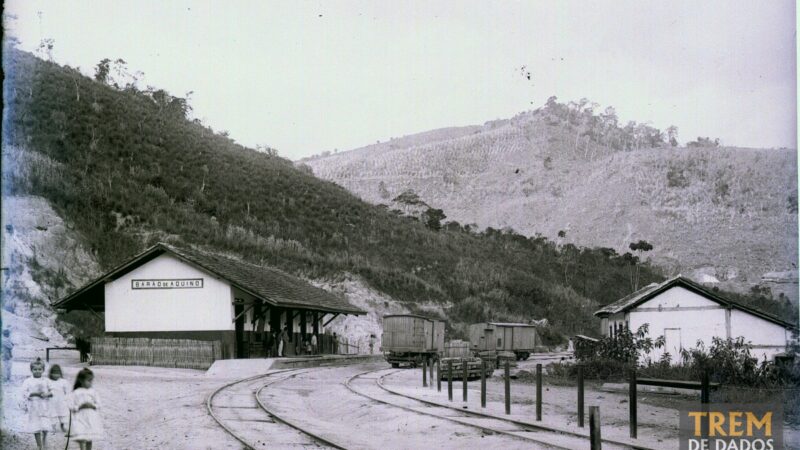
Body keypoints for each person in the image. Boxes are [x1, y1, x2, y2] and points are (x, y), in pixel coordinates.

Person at [21, 357, 52, 450]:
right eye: (35, 369)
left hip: (44, 406)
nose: (37, 371)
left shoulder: (46, 381)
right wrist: (34, 393)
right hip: (34, 406)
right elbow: (24, 392)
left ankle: (44, 438)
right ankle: (39, 445)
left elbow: (52, 391)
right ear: (31, 370)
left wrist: (47, 394)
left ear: (43, 370)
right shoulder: (28, 381)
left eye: (40, 369)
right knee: (36, 425)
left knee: (45, 425)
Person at [69, 368, 103, 450]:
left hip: (90, 417)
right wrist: (79, 407)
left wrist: (92, 406)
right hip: (80, 417)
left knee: (89, 435)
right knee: (81, 435)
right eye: (88, 380)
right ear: (81, 381)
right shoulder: (76, 392)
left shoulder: (93, 392)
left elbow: (99, 404)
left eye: (91, 380)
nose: (90, 382)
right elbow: (71, 405)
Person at [48, 364, 70, 433]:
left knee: (62, 415)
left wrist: (68, 398)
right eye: (54, 373)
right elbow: (46, 390)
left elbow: (68, 391)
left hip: (61, 401)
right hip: (52, 402)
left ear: (60, 374)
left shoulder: (63, 382)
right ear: (51, 374)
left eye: (57, 373)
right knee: (53, 415)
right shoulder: (48, 382)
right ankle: (53, 427)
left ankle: (62, 425)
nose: (56, 375)